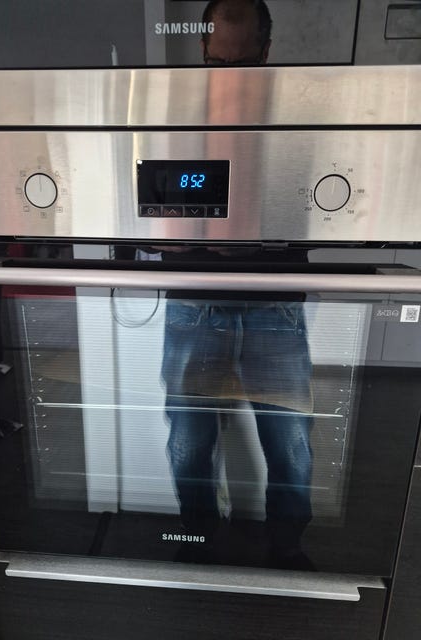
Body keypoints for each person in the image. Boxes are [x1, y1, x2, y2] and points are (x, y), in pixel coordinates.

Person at [160, 0, 315, 569]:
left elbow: (325, 206)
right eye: (216, 61)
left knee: (290, 444)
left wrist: (259, 239)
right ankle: (198, 538)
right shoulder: (174, 111)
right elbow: (148, 207)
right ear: (202, 48)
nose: (227, 74)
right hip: (194, 302)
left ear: (265, 52)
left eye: (242, 62)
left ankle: (288, 547)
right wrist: (179, 239)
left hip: (274, 303)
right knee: (189, 442)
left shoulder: (300, 112)